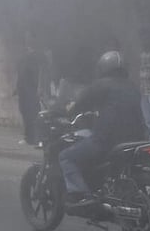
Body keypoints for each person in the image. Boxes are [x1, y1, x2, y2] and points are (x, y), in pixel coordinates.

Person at [58, 50, 144, 207]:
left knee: (66, 157)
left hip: (108, 140)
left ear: (104, 67)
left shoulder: (101, 85)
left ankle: (81, 195)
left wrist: (67, 110)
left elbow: (80, 103)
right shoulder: (132, 87)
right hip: (136, 139)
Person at [14, 34, 43, 145]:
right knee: (25, 112)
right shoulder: (23, 57)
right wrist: (17, 88)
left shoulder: (36, 57)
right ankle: (28, 137)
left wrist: (39, 88)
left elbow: (39, 73)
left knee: (33, 113)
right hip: (23, 90)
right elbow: (20, 74)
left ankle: (36, 138)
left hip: (32, 90)